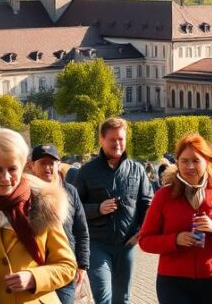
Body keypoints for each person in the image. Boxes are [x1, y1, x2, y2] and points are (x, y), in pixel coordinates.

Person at [0, 127, 77, 304]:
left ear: (23, 167)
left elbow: (68, 266)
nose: (6, 177)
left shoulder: (43, 204)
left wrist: (34, 278)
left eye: (12, 169)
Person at [138, 133, 212, 303]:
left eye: (196, 160)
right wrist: (175, 240)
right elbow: (145, 241)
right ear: (177, 162)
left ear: (207, 162)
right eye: (184, 160)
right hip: (173, 283)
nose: (189, 166)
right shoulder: (164, 195)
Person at [73, 117, 154, 304]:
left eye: (121, 139)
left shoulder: (137, 169)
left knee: (122, 298)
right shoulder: (87, 171)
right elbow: (73, 209)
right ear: (102, 140)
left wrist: (142, 230)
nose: (118, 144)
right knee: (103, 296)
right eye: (112, 139)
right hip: (97, 244)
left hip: (127, 245)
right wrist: (98, 209)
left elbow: (147, 203)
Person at [31, 144, 91, 304]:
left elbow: (81, 231)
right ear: (32, 166)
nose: (48, 167)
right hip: (34, 269)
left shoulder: (70, 192)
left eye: (52, 163)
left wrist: (83, 265)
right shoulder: (25, 193)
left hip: (64, 268)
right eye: (43, 163)